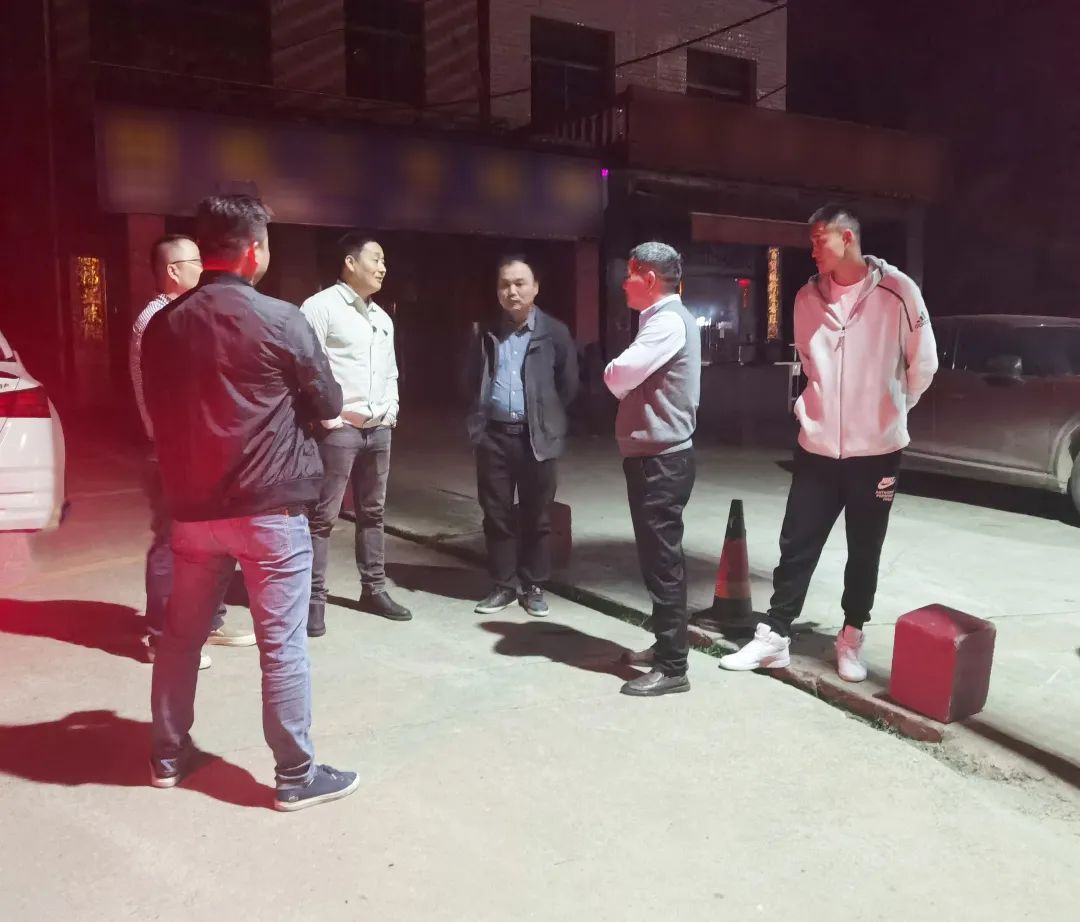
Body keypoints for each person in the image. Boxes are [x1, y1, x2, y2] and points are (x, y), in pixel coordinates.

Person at [141, 195, 358, 811]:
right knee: (281, 646)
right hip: (270, 510)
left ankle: (166, 755)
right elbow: (326, 401)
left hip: (193, 512)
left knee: (180, 639)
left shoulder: (164, 324)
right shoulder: (280, 319)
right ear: (254, 250)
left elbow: (157, 407)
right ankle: (295, 774)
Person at [720, 205, 938, 681]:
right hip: (817, 446)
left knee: (864, 549)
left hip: (877, 452)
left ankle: (851, 636)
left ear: (847, 238)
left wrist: (891, 409)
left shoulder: (898, 291)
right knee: (796, 542)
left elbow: (923, 364)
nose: (813, 249)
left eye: (820, 240)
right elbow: (809, 363)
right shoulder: (805, 298)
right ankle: (775, 636)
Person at [129, 234, 255, 670]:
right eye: (195, 260)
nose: (204, 268)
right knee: (171, 541)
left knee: (213, 539)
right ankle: (161, 636)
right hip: (171, 450)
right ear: (173, 270)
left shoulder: (183, 314)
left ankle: (208, 622)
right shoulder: (158, 319)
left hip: (200, 449)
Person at [300, 234, 411, 636]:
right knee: (322, 518)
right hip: (339, 430)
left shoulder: (382, 318)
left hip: (378, 429)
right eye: (376, 259)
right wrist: (326, 418)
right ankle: (313, 601)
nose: (383, 267)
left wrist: (391, 410)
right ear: (350, 262)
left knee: (373, 513)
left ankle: (374, 589)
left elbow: (391, 371)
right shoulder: (320, 307)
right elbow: (307, 367)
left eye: (384, 261)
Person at [605, 242, 700, 697]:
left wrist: (619, 377)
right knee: (658, 561)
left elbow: (617, 375)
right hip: (657, 458)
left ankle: (673, 667)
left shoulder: (666, 322)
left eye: (630, 274)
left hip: (661, 462)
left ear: (647, 278)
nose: (624, 283)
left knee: (663, 565)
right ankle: (667, 645)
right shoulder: (660, 320)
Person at [464, 255, 578, 616]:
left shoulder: (555, 332)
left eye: (519, 283)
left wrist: (547, 419)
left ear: (535, 288)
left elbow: (568, 385)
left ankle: (533, 585)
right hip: (494, 437)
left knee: (537, 515)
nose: (511, 291)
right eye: (504, 284)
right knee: (496, 514)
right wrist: (478, 425)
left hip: (536, 438)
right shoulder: (485, 331)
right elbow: (468, 379)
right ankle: (503, 585)